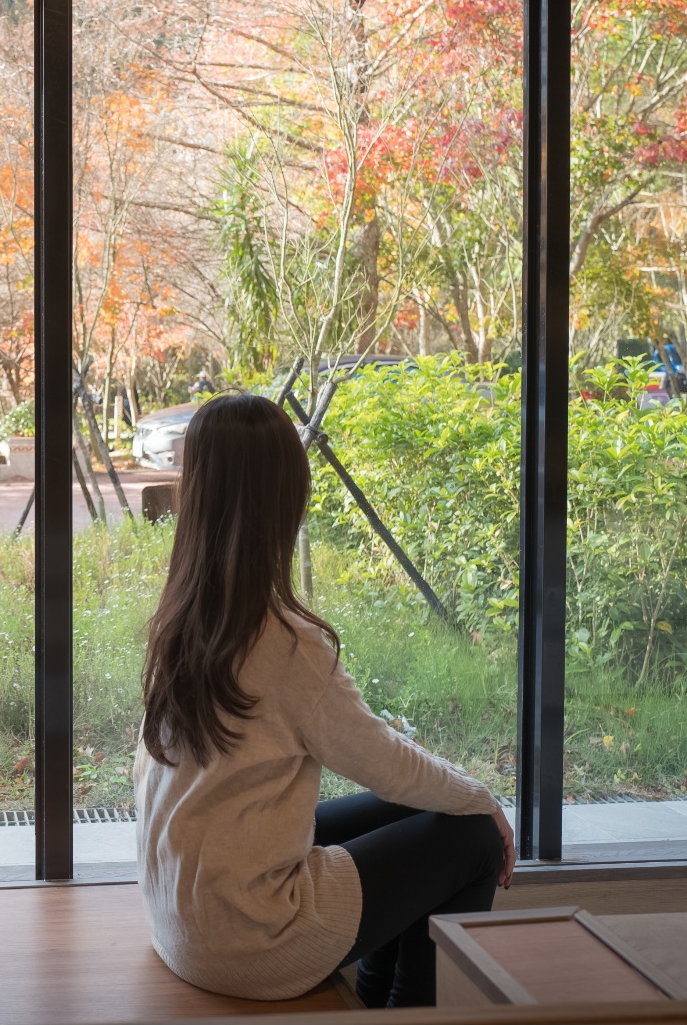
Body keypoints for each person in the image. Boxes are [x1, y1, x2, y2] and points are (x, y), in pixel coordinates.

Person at [136, 393, 512, 1009]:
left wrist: (458, 792)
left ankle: (369, 997)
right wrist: (483, 799)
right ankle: (409, 1010)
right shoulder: (286, 644)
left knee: (407, 813)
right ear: (285, 498)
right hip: (250, 937)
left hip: (185, 916)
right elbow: (382, 760)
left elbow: (391, 784)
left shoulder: (185, 615)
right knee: (473, 837)